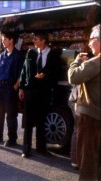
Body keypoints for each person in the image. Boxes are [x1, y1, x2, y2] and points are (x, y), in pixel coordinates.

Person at [19, 32, 60, 158]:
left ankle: (41, 148)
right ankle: (26, 149)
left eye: (36, 39)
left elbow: (56, 72)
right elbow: (24, 70)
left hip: (44, 91)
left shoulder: (53, 54)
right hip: (30, 90)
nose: (34, 41)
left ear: (43, 41)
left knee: (41, 120)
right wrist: (21, 87)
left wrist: (45, 75)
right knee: (28, 120)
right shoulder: (31, 53)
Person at [68, 24, 100, 180]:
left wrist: (76, 61)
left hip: (90, 118)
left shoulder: (96, 62)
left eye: (92, 38)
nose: (88, 43)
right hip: (97, 116)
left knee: (87, 160)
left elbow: (73, 76)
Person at [0, 29, 24, 146]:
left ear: (11, 40)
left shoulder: (18, 56)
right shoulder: (2, 55)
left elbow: (21, 73)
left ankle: (12, 139)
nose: (2, 42)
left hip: (10, 88)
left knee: (11, 114)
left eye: (4, 40)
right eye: (2, 40)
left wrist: (16, 86)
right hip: (0, 87)